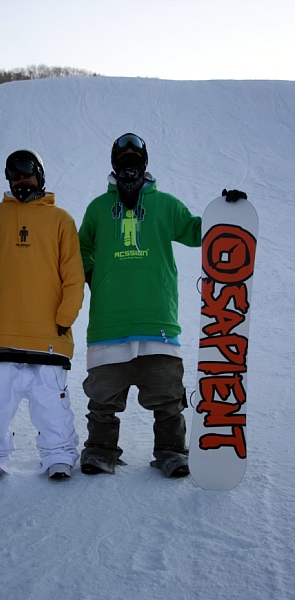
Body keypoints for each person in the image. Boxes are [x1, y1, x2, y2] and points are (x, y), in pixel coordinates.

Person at [78, 133, 247, 478]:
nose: (129, 163)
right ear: (114, 164)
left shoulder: (166, 204)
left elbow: (197, 232)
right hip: (109, 327)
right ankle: (99, 451)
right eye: (122, 158)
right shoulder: (97, 208)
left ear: (145, 163)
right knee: (102, 402)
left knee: (169, 401)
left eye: (135, 157)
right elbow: (80, 249)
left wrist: (227, 213)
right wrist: (95, 276)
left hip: (158, 326)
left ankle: (171, 451)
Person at [0, 149, 84, 482]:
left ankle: (59, 455)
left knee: (51, 404)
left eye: (27, 174)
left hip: (48, 332)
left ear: (40, 176)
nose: (22, 181)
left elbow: (74, 275)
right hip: (1, 330)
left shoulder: (61, 220)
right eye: (15, 176)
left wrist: (65, 318)